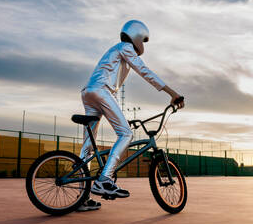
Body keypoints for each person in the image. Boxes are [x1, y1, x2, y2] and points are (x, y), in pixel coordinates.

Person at [77, 20, 184, 211]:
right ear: (137, 36)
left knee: (88, 147)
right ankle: (105, 179)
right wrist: (172, 93)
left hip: (89, 92)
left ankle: (81, 198)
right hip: (101, 91)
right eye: (143, 40)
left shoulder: (116, 50)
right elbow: (145, 71)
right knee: (126, 134)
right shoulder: (126, 47)